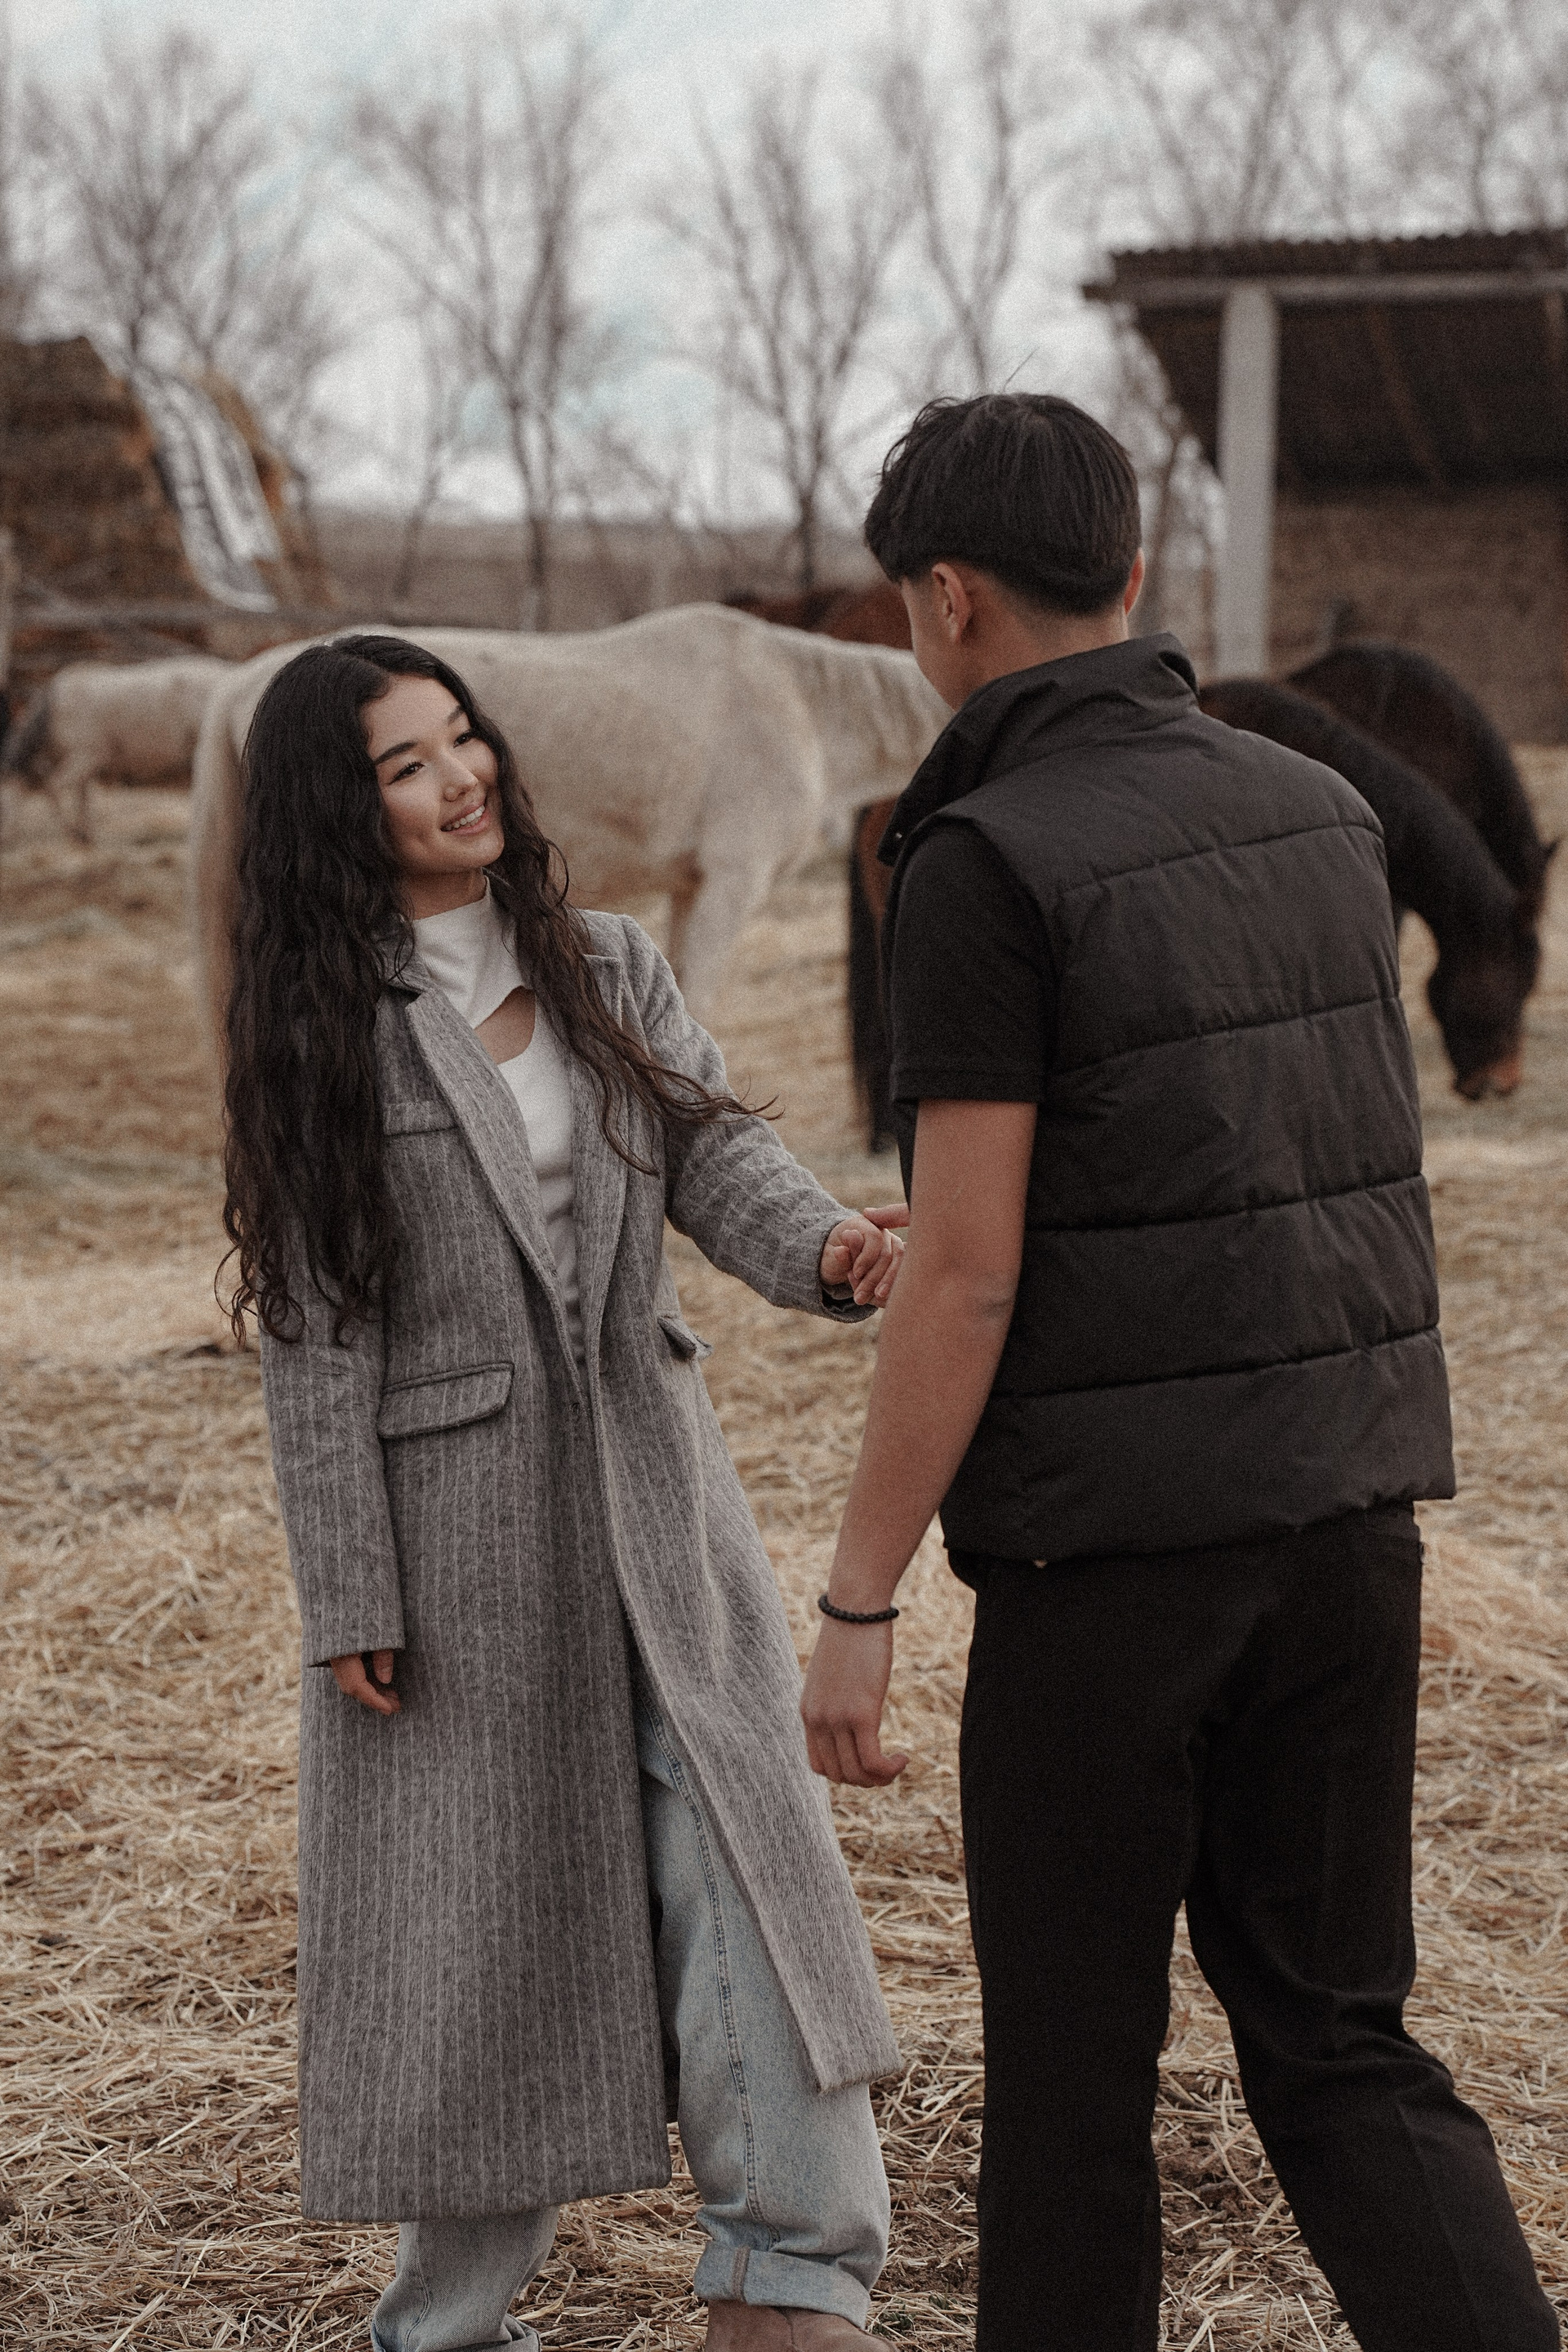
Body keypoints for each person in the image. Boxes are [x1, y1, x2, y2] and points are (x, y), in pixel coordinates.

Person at [799, 395, 1559, 2351]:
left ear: (945, 599)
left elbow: (971, 1276)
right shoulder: (1322, 813)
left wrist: (860, 1597)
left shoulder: (979, 856)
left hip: (1110, 1574)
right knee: (1344, 2042)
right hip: (1347, 1524)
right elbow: (1250, 1155)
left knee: (1073, 2086)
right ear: (1132, 573)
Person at [221, 634, 906, 2352]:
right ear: (336, 810)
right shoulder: (319, 1028)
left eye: (463, 738)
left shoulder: (605, 961)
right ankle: (444, 2329)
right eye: (406, 764)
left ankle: (793, 2268)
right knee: (483, 1938)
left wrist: (825, 1246)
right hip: (455, 1542)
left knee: (748, 1857)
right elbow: (314, 1330)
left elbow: (713, 1146)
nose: (461, 776)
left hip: (659, 1497)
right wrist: (348, 1586)